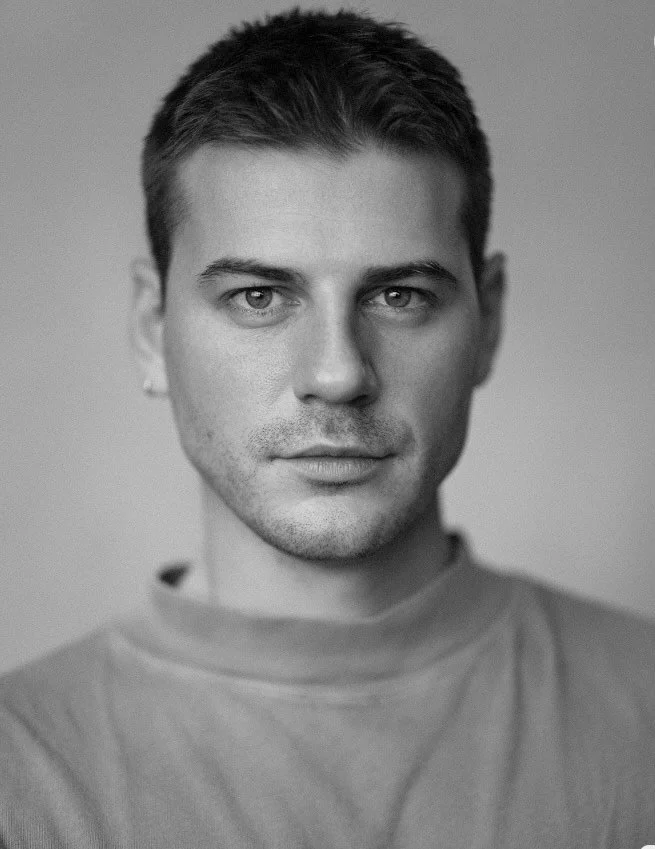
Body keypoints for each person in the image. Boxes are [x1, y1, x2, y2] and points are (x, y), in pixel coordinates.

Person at [1, 7, 654, 847]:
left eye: (399, 296)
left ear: (487, 320)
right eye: (258, 297)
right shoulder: (20, 776)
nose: (338, 373)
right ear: (151, 329)